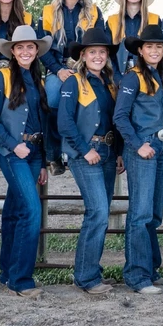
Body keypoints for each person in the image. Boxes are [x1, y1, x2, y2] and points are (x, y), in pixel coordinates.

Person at [0, 25, 52, 299]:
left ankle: (7, 272)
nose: (26, 51)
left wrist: (45, 160)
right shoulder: (1, 77)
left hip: (35, 152)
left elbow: (42, 120)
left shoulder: (39, 80)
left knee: (14, 212)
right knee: (32, 210)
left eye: (30, 47)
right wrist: (14, 145)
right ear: (12, 51)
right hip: (13, 153)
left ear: (37, 51)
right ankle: (21, 280)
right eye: (21, 47)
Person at [113, 24, 163, 294]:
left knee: (153, 213)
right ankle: (136, 275)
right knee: (140, 213)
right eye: (149, 46)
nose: (154, 50)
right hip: (143, 148)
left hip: (161, 148)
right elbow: (120, 117)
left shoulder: (162, 76)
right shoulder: (132, 78)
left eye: (159, 46)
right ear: (140, 50)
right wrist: (138, 145)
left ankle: (150, 268)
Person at [58, 28, 121, 295]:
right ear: (82, 55)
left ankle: (89, 271)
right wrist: (85, 150)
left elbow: (114, 121)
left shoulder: (109, 81)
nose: (98, 56)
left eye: (102, 52)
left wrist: (117, 152)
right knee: (97, 212)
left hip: (106, 152)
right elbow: (64, 121)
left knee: (101, 213)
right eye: (92, 51)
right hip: (86, 153)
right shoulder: (74, 81)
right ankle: (86, 276)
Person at [37, 0, 105, 173]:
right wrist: (58, 69)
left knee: (101, 101)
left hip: (87, 67)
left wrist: (84, 67)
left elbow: (99, 43)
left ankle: (95, 148)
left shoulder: (94, 12)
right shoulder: (48, 11)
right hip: (58, 67)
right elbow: (42, 47)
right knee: (52, 99)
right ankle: (53, 154)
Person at [108, 0, 160, 74]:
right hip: (118, 77)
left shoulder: (155, 19)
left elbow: (160, 53)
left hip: (147, 75)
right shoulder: (112, 21)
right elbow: (108, 54)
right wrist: (117, 79)